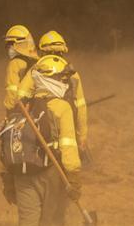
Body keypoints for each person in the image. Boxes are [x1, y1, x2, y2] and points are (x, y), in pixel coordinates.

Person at [7, 55, 83, 226]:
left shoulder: (22, 107)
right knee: (51, 220)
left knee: (28, 221)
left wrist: (8, 179)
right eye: (61, 78)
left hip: (22, 173)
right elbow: (69, 148)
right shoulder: (61, 107)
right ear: (52, 80)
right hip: (51, 173)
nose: (64, 82)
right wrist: (74, 179)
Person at [15, 30, 89, 160]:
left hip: (39, 115)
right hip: (65, 115)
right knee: (69, 146)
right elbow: (81, 107)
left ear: (43, 51)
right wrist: (82, 137)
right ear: (62, 51)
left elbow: (21, 96)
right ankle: (71, 173)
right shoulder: (72, 73)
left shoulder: (35, 69)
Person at [2, 25, 38, 113]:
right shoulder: (37, 62)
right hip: (36, 109)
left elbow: (12, 90)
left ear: (18, 44)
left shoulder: (15, 63)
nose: (8, 48)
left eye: (10, 44)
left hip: (21, 109)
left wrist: (9, 110)